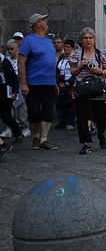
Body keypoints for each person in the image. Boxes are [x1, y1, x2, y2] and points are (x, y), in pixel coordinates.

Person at [68, 27, 106, 155]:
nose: (88, 40)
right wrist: (81, 65)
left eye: (90, 38)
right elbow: (72, 72)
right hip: (81, 89)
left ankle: (101, 135)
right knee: (82, 117)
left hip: (98, 89)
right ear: (81, 40)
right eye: (85, 38)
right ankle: (86, 143)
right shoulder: (76, 54)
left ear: (94, 39)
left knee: (100, 118)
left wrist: (100, 71)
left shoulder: (102, 53)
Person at [18, 13, 58, 150]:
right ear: (37, 24)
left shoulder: (48, 41)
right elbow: (21, 62)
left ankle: (43, 139)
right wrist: (23, 83)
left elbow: (51, 62)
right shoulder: (28, 40)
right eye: (43, 20)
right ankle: (35, 136)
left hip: (49, 82)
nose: (47, 21)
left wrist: (55, 82)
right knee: (34, 112)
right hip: (34, 82)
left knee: (47, 111)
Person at [0, 39, 30, 139]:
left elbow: (18, 76)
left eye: (12, 49)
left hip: (18, 85)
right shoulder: (8, 60)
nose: (10, 51)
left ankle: (25, 127)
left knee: (21, 108)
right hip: (7, 87)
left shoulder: (19, 60)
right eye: (8, 49)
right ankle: (9, 129)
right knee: (9, 111)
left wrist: (19, 88)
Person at [0, 49, 23, 143]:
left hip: (4, 91)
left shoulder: (5, 62)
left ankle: (18, 133)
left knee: (6, 116)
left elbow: (14, 79)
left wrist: (14, 92)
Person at [55, 39, 76, 131]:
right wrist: (58, 81)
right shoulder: (62, 57)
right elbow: (57, 69)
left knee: (70, 103)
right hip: (61, 81)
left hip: (70, 81)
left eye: (68, 47)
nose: (66, 49)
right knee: (60, 103)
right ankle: (62, 121)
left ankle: (71, 122)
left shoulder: (74, 59)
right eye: (65, 47)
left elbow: (75, 72)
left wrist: (69, 82)